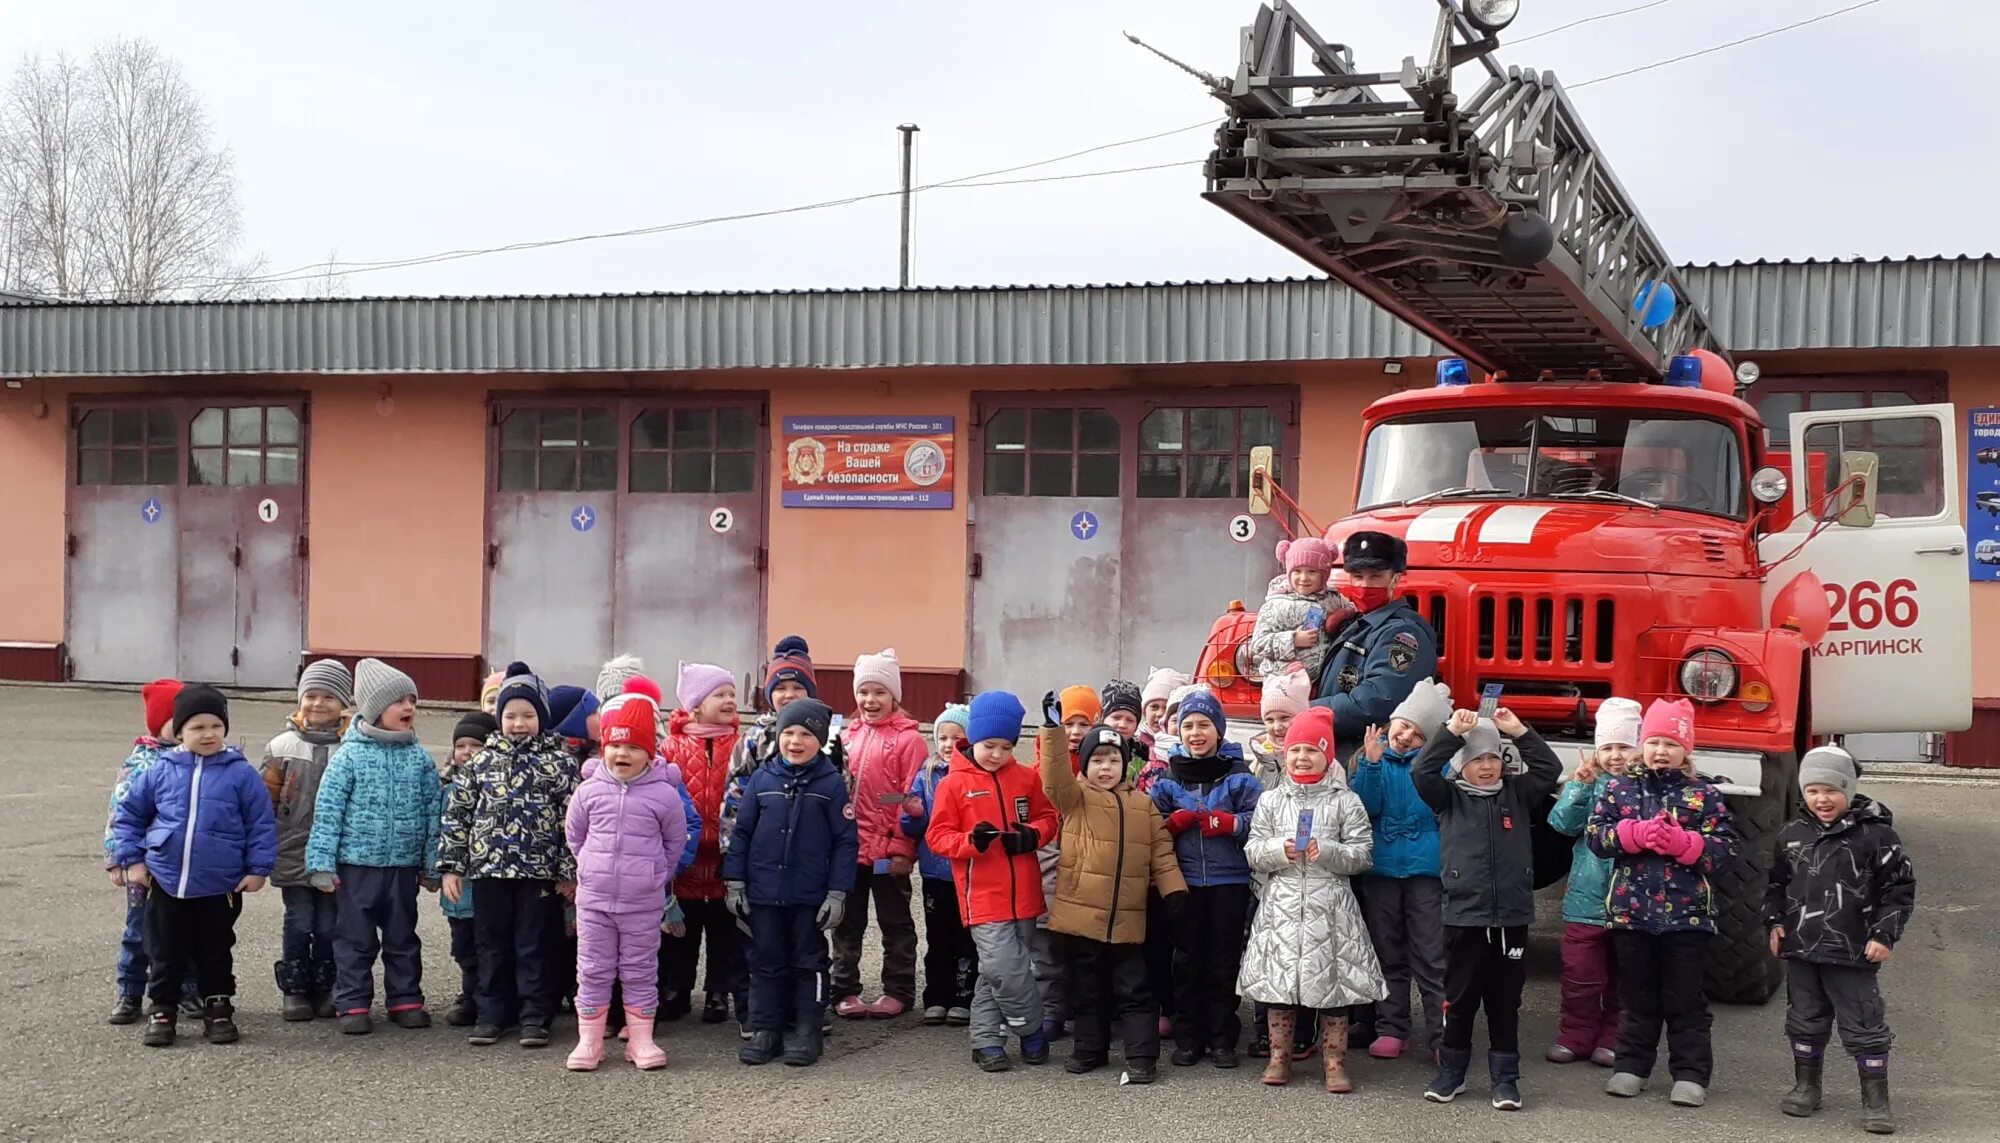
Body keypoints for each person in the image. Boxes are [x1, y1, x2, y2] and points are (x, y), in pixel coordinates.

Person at [1586, 698, 1738, 1109]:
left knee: (1685, 999)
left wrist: (1683, 843)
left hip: (1687, 918)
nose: (1661, 751)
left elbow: (1723, 852)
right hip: (1631, 914)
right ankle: (1632, 1067)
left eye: (1671, 743)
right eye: (1653, 741)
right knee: (1636, 997)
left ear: (1686, 748)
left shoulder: (1703, 794)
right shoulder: (1620, 789)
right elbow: (1596, 838)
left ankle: (1690, 1074)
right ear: (1641, 745)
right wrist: (1631, 835)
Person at [110, 685, 277, 1047]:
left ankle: (218, 1008)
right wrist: (133, 860)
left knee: (215, 950)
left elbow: (261, 823)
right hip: (167, 881)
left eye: (216, 726)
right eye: (198, 727)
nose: (208, 734)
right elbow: (129, 816)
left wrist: (258, 868)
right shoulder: (159, 771)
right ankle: (163, 1009)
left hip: (221, 884)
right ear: (179, 731)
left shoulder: (241, 773)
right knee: (166, 949)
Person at [1413, 706, 1562, 1110]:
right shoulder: (1448, 798)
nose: (1486, 767)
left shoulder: (1518, 795)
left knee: (1505, 1003)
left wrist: (1519, 730)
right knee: (1459, 1002)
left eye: (1493, 758)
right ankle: (1452, 1072)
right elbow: (1422, 773)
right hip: (1463, 917)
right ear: (1461, 764)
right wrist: (1449, 733)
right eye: (1476, 759)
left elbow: (1549, 769)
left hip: (1511, 918)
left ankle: (1506, 1078)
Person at [1767, 745, 1914, 1135]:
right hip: (1801, 949)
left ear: (1848, 791)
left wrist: (1885, 933)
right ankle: (1806, 1086)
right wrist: (1774, 922)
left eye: (1831, 790)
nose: (1822, 799)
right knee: (1804, 1020)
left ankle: (1876, 1100)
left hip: (1852, 951)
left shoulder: (1877, 835)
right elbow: (1775, 884)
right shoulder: (1791, 834)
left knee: (1864, 1024)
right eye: (1813, 790)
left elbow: (1899, 890)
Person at [1239, 707, 1384, 1092]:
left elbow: (1363, 854)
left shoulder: (1345, 801)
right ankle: (1278, 1057)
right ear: (1285, 754)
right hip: (1282, 904)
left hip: (1331, 906)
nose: (1302, 757)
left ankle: (1334, 1063)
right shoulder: (1270, 801)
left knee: (1333, 989)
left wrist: (1329, 852)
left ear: (1328, 755)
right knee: (1279, 988)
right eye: (1295, 749)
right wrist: (1277, 850)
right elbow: (1253, 850)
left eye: (1312, 750)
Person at [438, 661, 581, 1049]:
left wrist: (568, 871)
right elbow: (458, 815)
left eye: (528, 715)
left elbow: (574, 821)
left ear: (542, 718)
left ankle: (535, 1015)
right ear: (499, 717)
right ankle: (492, 1014)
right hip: (488, 871)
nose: (519, 723)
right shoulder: (482, 762)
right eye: (511, 715)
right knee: (491, 943)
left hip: (539, 873)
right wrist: (452, 867)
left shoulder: (560, 762)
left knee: (534, 943)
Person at [1039, 719, 1187, 1083]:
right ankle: (1090, 1049)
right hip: (1081, 919)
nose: (1106, 768)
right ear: (1085, 764)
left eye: (1113, 760)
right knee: (1087, 991)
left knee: (1135, 991)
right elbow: (1054, 777)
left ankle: (1141, 1056)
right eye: (1098, 760)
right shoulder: (1073, 798)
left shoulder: (1143, 805)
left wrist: (1175, 890)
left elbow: (1161, 852)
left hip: (1128, 920)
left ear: (1125, 764)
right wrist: (1052, 731)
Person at [303, 659, 443, 1035]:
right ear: (374, 708)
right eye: (399, 701)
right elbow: (328, 811)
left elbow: (434, 812)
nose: (409, 708)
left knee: (402, 937)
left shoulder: (419, 758)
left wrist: (432, 865)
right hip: (356, 867)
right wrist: (321, 862)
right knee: (354, 939)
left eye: (412, 700)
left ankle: (405, 998)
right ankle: (352, 1001)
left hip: (402, 867)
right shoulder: (349, 756)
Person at [925, 691, 1060, 1073]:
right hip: (983, 895)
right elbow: (937, 838)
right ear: (974, 740)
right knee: (1005, 968)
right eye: (988, 745)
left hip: (1026, 892)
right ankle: (1031, 1029)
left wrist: (1032, 835)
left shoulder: (1026, 777)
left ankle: (986, 1039)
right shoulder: (953, 784)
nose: (996, 754)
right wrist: (971, 843)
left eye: (1005, 746)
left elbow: (1049, 818)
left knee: (994, 971)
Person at [725, 698, 857, 1067]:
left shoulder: (831, 784)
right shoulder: (762, 780)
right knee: (765, 960)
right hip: (764, 893)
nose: (795, 741)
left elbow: (845, 841)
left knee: (808, 962)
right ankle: (766, 1028)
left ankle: (807, 1029)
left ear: (820, 740)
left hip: (809, 896)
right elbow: (742, 833)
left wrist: (837, 892)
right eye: (789, 732)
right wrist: (734, 882)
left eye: (805, 734)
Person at [564, 699, 689, 1072]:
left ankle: (641, 1040)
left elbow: (674, 844)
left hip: (643, 902)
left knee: (639, 969)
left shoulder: (664, 795)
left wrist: (653, 876)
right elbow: (575, 836)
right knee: (592, 969)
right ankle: (589, 1040)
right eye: (616, 745)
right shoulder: (588, 791)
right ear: (605, 747)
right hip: (595, 901)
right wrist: (590, 867)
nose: (623, 753)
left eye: (634, 747)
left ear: (649, 753)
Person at [1149, 688, 1263, 1069]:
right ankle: (1188, 1036)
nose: (1196, 733)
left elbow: (1261, 823)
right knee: (1187, 959)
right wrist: (1170, 825)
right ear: (1179, 733)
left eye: (1204, 725)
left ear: (1219, 729)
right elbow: (1151, 831)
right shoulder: (1168, 778)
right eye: (1188, 726)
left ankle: (1221, 1037)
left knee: (1223, 960)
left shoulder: (1239, 776)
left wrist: (1234, 824)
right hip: (1184, 883)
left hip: (1229, 881)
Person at [1348, 678, 1452, 1063]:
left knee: (1430, 953)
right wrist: (1372, 767)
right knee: (1386, 950)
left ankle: (1443, 1035)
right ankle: (1392, 1027)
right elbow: (1365, 810)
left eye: (1418, 733)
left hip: (1425, 870)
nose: (1406, 736)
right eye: (1403, 725)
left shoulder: (1435, 769)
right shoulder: (1368, 760)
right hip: (1383, 871)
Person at [1546, 697, 1641, 1068]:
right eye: (1608, 748)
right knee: (1580, 972)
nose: (1616, 756)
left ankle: (1613, 1035)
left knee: (1625, 974)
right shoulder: (1590, 784)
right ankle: (1576, 1034)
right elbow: (1561, 825)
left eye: (1624, 747)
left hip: (1632, 899)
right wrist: (1578, 788)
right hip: (1586, 897)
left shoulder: (1646, 789)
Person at [832, 648, 927, 1020]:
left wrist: (903, 847)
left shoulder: (909, 740)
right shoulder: (845, 737)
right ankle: (844, 988)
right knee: (846, 923)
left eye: (879, 693)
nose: (870, 700)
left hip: (889, 850)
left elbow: (911, 797)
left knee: (896, 922)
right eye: (864, 692)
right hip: (851, 848)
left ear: (894, 696)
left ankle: (899, 989)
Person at [261, 659, 353, 1023]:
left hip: (337, 854)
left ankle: (328, 987)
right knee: (298, 919)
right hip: (292, 851)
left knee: (332, 923)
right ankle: (296, 989)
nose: (318, 704)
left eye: (328, 697)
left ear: (344, 702)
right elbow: (264, 800)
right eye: (310, 696)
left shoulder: (352, 745)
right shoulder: (282, 746)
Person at [104, 678, 195, 1026]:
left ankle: (187, 990)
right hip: (146, 868)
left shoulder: (201, 760)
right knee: (139, 931)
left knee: (186, 932)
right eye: (179, 719)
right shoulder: (141, 763)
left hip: (185, 867)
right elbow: (119, 814)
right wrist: (120, 859)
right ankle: (129, 990)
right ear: (161, 724)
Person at [660, 661, 745, 1025]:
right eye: (719, 694)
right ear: (695, 704)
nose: (729, 700)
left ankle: (718, 991)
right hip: (686, 858)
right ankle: (677, 989)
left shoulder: (741, 745)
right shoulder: (672, 747)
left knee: (724, 931)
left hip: (727, 855)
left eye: (731, 694)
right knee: (682, 930)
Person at [1310, 531, 1438, 763]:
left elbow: (1377, 701)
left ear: (1395, 579)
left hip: (1368, 758)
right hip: (1337, 749)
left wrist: (1307, 711)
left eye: (1376, 576)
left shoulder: (1402, 634)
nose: (1364, 585)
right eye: (1357, 576)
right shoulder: (1359, 623)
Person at [900, 703, 978, 1026]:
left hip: (967, 873)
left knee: (967, 938)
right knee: (938, 937)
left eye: (956, 737)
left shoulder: (973, 775)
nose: (948, 745)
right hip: (934, 872)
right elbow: (909, 825)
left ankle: (964, 996)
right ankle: (936, 996)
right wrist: (912, 814)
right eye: (942, 737)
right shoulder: (926, 775)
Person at [439, 710, 496, 1027]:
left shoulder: (495, 786)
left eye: (476, 745)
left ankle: (489, 997)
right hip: (458, 884)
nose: (467, 752)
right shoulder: (445, 786)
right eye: (461, 745)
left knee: (489, 943)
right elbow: (438, 832)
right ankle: (470, 994)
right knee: (464, 946)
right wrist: (437, 869)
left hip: (489, 882)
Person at [1247, 536, 1353, 681]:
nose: (1304, 578)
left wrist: (1341, 616)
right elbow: (1258, 644)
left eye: (1312, 572)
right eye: (1297, 571)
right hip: (1283, 681)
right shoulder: (1275, 604)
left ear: (1325, 574)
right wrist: (1293, 639)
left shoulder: (1334, 599)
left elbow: (1354, 611)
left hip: (1322, 681)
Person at [1139, 668, 1189, 741]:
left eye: (1167, 708)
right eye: (1154, 707)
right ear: (1144, 711)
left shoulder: (1191, 747)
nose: (1160, 714)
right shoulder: (1133, 745)